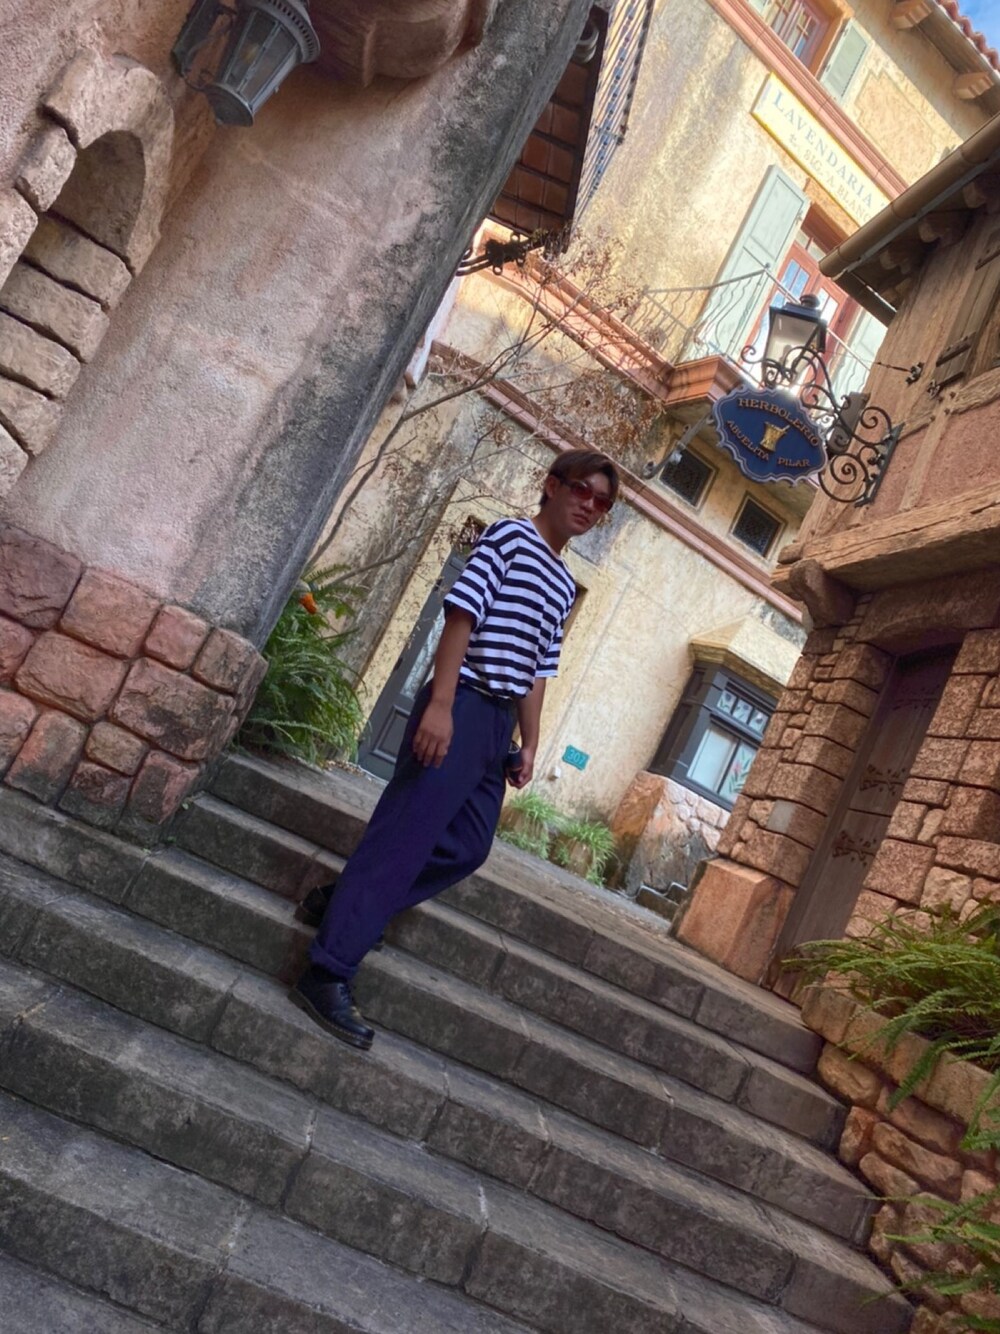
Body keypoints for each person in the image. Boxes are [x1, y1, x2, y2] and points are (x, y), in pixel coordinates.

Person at [290, 449, 620, 1049]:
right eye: (582, 490)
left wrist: (530, 741)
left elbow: (539, 669)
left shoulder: (561, 581)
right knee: (403, 839)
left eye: (602, 502)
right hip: (462, 701)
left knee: (467, 846)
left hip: (497, 726)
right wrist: (441, 705)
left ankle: (345, 904)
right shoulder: (510, 539)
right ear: (552, 486)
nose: (590, 506)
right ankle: (326, 971)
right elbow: (462, 617)